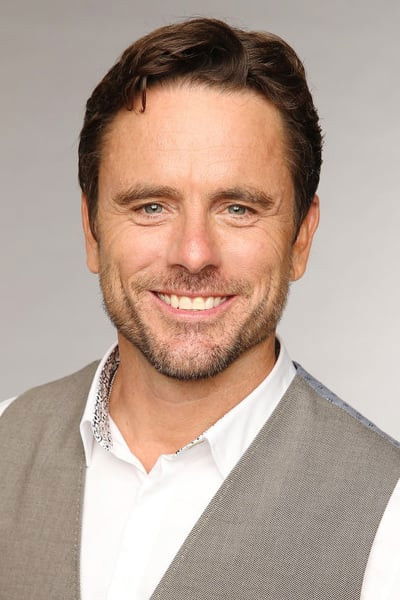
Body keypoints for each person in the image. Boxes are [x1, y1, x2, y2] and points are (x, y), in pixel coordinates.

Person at [1, 17, 399, 600]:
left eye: (238, 208)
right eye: (151, 206)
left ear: (300, 237)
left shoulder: (389, 519)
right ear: (91, 230)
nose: (193, 254)